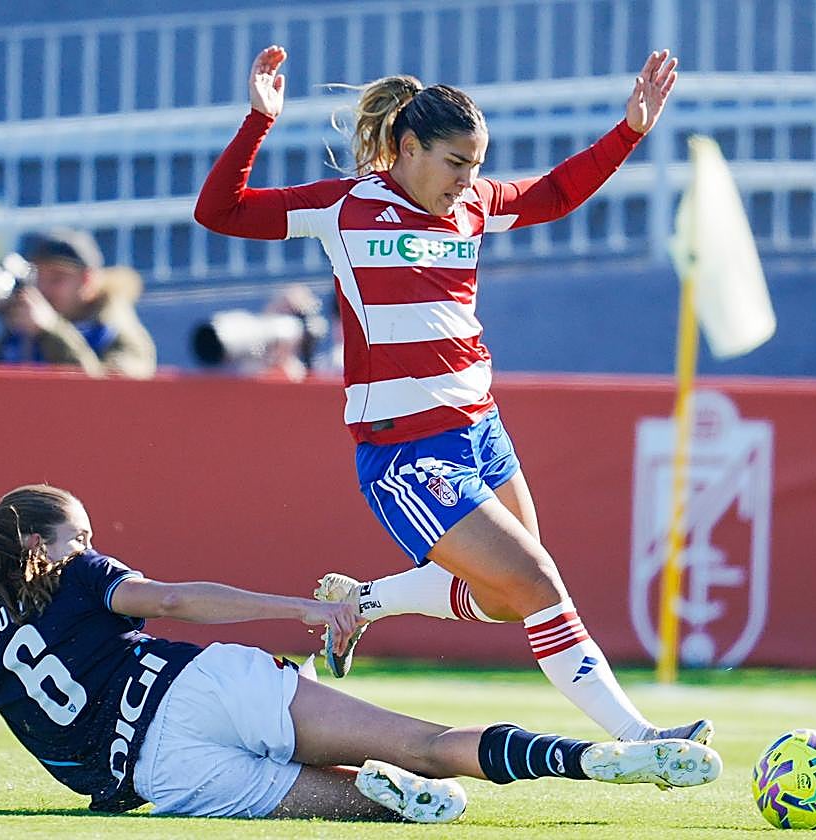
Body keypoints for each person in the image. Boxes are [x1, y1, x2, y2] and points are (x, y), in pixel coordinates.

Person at [194, 46, 709, 746]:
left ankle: (362, 603)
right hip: (407, 449)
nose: (469, 182)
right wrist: (258, 121)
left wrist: (631, 132)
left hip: (481, 430)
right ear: (408, 148)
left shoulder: (470, 207)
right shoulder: (345, 208)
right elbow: (218, 211)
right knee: (534, 581)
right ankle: (640, 737)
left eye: (476, 166)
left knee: (505, 600)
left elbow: (554, 194)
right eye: (456, 164)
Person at [0, 485, 721, 822]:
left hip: (159, 773)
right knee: (429, 741)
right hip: (198, 687)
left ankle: (391, 802)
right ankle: (603, 757)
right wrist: (295, 614)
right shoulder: (76, 575)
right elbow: (183, 600)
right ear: (55, 541)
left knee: (374, 809)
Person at [0, 228, 157, 378]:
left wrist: (51, 330)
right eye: (37, 277)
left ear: (87, 280)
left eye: (57, 279)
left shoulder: (119, 334)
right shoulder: (21, 328)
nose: (43, 289)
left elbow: (110, 400)